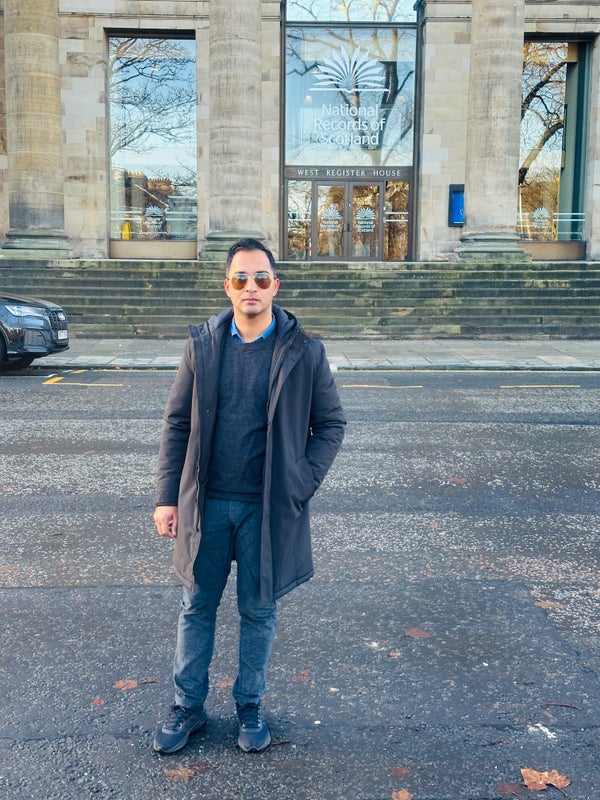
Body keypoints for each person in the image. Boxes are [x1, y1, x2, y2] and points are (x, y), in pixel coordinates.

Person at [152, 238, 346, 755]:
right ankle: (188, 706)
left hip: (267, 508)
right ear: (227, 286)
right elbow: (177, 424)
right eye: (241, 279)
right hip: (207, 504)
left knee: (258, 611)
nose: (251, 287)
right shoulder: (202, 345)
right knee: (197, 606)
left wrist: (300, 483)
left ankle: (250, 705)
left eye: (261, 278)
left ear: (275, 285)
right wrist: (167, 497)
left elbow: (330, 425)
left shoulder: (304, 351)